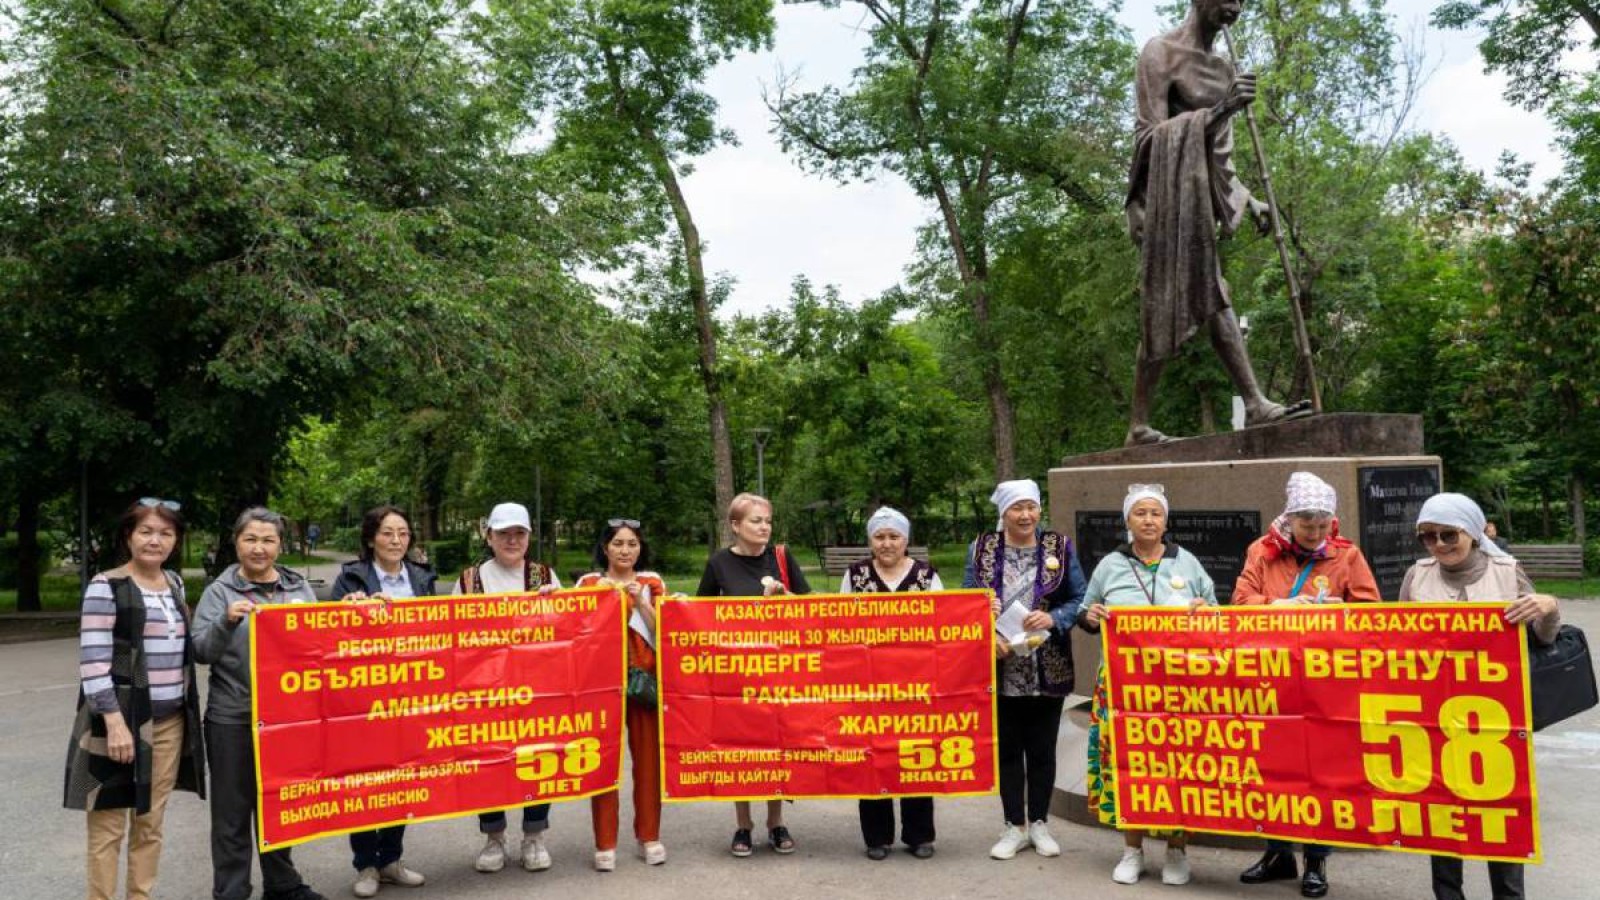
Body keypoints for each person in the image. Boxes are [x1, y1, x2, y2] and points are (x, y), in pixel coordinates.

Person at [1123, 0, 1309, 444]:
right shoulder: (1160, 53)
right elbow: (1149, 137)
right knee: (1163, 306)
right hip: (1162, 200)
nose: (1234, 7)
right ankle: (1141, 424)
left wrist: (1246, 197)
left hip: (1198, 203)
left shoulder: (1224, 70)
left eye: (1241, 1)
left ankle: (1252, 403)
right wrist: (1222, 109)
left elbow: (1219, 159)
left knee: (1214, 295)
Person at [1399, 493, 1559, 900]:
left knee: (1501, 815)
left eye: (1448, 535)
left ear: (1471, 531)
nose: (1438, 545)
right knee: (1442, 813)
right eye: (1428, 537)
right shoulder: (1416, 576)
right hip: (1435, 717)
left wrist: (1549, 606)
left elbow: (1544, 637)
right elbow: (1398, 645)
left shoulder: (1507, 572)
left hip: (1496, 720)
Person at [1233, 471, 1380, 898]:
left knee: (1321, 772)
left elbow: (1372, 611)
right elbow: (1239, 602)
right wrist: (1279, 605)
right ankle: (1278, 853)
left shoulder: (1346, 555)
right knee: (1273, 768)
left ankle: (1317, 859)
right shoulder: (1261, 552)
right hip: (1271, 678)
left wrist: (1340, 612)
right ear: (1289, 519)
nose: (1315, 534)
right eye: (1306, 525)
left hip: (1325, 682)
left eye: (1322, 525)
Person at [66, 498, 206, 900]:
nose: (154, 540)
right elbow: (94, 663)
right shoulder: (107, 586)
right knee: (108, 827)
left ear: (176, 540)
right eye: (145, 531)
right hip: (116, 722)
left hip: (169, 722)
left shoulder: (174, 584)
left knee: (150, 823)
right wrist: (114, 723)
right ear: (129, 536)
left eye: (165, 533)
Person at [1077, 485, 1217, 885]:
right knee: (1128, 762)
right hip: (1122, 684)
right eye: (1140, 513)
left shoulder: (1187, 562)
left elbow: (1214, 610)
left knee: (1179, 764)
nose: (1149, 520)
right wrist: (1092, 616)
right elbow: (1086, 611)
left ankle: (1177, 850)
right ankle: (1132, 850)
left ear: (1166, 521)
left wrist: (1204, 609)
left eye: (1156, 513)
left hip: (1179, 686)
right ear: (1128, 520)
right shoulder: (1110, 565)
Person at [192, 508, 326, 900]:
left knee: (280, 805)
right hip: (233, 716)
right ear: (236, 542)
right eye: (250, 539)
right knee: (231, 812)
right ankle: (231, 891)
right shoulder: (220, 592)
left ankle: (282, 885)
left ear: (280, 545)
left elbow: (321, 642)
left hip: (286, 719)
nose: (259, 548)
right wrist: (226, 621)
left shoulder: (297, 586)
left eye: (268, 540)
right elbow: (200, 650)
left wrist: (349, 612)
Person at [962, 479, 1087, 861]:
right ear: (1004, 513)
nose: (1025, 515)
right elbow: (965, 602)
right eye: (1017, 508)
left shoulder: (1059, 546)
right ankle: (1013, 825)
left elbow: (1080, 598)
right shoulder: (982, 548)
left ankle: (1040, 823)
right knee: (1009, 750)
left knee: (1043, 749)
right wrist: (986, 632)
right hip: (1001, 667)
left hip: (1047, 665)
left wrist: (1053, 619)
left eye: (1031, 507)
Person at [696, 492, 811, 858]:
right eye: (755, 521)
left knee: (778, 745)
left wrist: (784, 597)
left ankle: (776, 822)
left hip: (779, 672)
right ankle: (743, 824)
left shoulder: (782, 558)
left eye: (768, 521)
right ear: (735, 525)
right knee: (739, 748)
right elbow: (698, 617)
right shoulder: (719, 563)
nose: (764, 527)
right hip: (736, 674)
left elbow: (812, 610)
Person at [452, 502, 560, 874]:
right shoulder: (469, 580)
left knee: (537, 759)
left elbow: (567, 633)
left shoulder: (544, 576)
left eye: (519, 533)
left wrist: (555, 606)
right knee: (488, 762)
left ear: (529, 536)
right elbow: (452, 633)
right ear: (489, 537)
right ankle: (494, 837)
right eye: (504, 534)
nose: (512, 540)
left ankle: (534, 835)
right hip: (486, 688)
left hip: (536, 686)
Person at [330, 505, 433, 898]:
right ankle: (365, 864)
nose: (396, 540)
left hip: (410, 696)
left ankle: (390, 858)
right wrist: (348, 610)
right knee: (364, 779)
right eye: (387, 533)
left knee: (400, 778)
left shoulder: (422, 577)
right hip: (363, 697)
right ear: (371, 538)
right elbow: (325, 634)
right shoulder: (350, 577)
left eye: (403, 533)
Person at [839, 507, 945, 861]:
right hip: (868, 684)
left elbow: (945, 623)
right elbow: (839, 626)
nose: (887, 543)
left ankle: (919, 834)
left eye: (894, 536)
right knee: (872, 757)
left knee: (917, 754)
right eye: (880, 537)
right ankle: (876, 836)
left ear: (906, 539)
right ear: (871, 541)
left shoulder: (926, 576)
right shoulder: (855, 575)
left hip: (916, 684)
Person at [576, 519, 668, 870]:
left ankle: (649, 836)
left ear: (640, 548)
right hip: (601, 685)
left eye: (632, 544)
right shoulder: (588, 583)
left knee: (648, 763)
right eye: (618, 543)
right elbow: (573, 629)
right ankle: (605, 842)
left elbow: (666, 630)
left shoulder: (652, 582)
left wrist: (641, 602)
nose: (625, 550)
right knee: (603, 762)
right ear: (605, 548)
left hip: (643, 682)